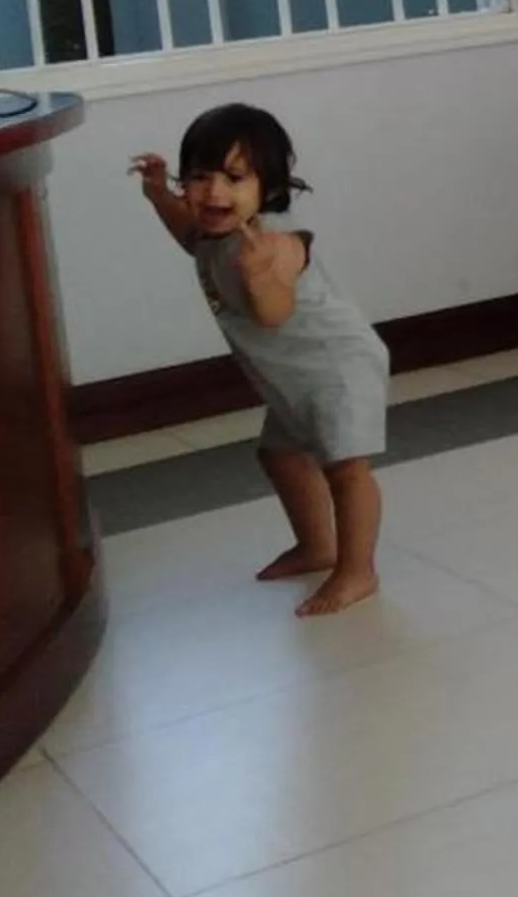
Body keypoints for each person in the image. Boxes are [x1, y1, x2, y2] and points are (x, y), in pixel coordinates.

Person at [130, 105, 389, 615]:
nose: (212, 192)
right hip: (290, 378)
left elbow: (275, 313)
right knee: (278, 455)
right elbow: (188, 237)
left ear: (267, 187)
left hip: (335, 369)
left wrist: (258, 277)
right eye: (198, 178)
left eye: (233, 177)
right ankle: (318, 545)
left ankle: (358, 570)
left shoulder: (276, 245)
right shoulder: (212, 233)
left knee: (347, 469)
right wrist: (158, 194)